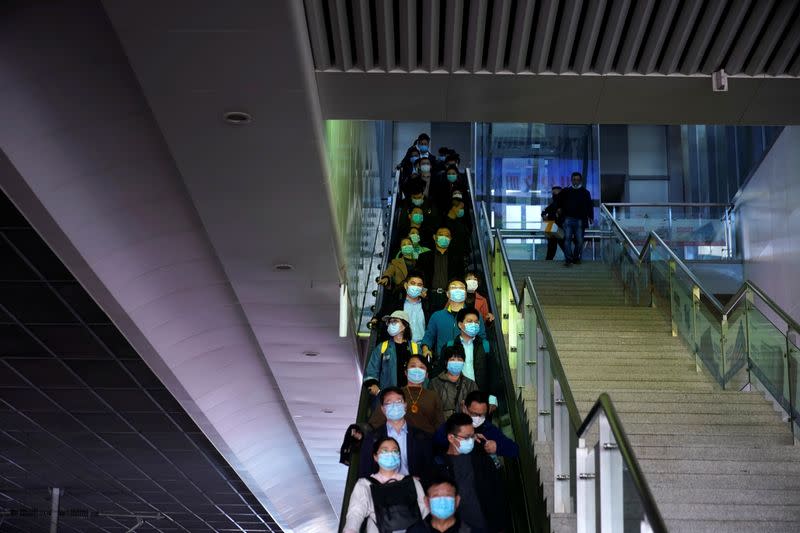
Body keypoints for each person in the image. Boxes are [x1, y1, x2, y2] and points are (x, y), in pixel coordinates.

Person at [432, 413, 507, 532]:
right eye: (466, 437)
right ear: (451, 438)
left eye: (473, 436)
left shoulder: (480, 457)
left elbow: (496, 489)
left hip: (487, 526)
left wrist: (501, 526)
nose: (471, 440)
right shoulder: (439, 465)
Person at [345, 436, 428, 533]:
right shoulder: (365, 484)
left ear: (399, 456)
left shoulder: (412, 482)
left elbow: (425, 512)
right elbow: (356, 512)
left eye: (395, 451)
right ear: (375, 457)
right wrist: (351, 530)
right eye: (385, 451)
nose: (390, 454)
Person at [359, 387, 434, 479]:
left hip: (413, 488)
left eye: (399, 402)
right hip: (383, 488)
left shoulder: (421, 437)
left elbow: (429, 470)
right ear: (383, 409)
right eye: (389, 403)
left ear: (405, 406)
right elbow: (364, 471)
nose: (394, 405)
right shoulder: (373, 438)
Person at [370, 355, 444, 434]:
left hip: (427, 443)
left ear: (426, 375)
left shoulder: (433, 396)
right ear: (405, 372)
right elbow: (375, 423)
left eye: (421, 367)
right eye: (413, 366)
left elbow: (440, 427)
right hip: (397, 442)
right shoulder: (393, 394)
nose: (417, 370)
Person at [433, 391, 518, 458]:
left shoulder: (488, 428)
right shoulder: (452, 424)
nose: (478, 418)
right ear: (464, 408)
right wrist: (467, 437)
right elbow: (436, 444)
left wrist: (497, 446)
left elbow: (514, 449)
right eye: (474, 414)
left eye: (482, 414)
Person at [441, 308, 497, 405]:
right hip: (454, 397)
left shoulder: (485, 346)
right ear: (460, 324)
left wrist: (492, 398)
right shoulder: (449, 346)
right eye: (469, 321)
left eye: (476, 322)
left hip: (480, 397)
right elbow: (441, 371)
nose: (474, 325)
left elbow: (493, 373)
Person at [421, 283, 486, 361]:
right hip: (443, 362)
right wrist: (425, 350)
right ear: (447, 294)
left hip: (470, 361)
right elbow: (428, 337)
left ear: (465, 294)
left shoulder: (475, 315)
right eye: (454, 287)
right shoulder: (437, 316)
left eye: (461, 288)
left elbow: (482, 337)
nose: (458, 290)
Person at [363, 311, 421, 396]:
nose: (391, 324)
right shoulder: (382, 347)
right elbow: (371, 371)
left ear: (404, 325)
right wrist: (373, 386)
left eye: (395, 321)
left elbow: (422, 373)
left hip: (411, 397)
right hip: (388, 398)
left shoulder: (415, 348)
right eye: (390, 322)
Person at [416, 228, 466, 312]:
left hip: (450, 297)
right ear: (434, 237)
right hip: (428, 297)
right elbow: (418, 275)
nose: (444, 237)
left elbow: (460, 277)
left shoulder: (457, 258)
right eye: (441, 235)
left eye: (447, 236)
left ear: (450, 239)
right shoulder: (424, 256)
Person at [430, 345, 479, 419]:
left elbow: (477, 409)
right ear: (446, 362)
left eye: (459, 360)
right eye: (452, 359)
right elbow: (431, 409)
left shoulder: (471, 384)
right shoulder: (434, 383)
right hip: (442, 427)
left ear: (463, 362)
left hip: (465, 426)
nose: (456, 362)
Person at [557, 171, 593, 266]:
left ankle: (575, 257)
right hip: (568, 219)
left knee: (580, 241)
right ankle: (569, 259)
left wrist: (591, 216)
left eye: (577, 180)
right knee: (567, 239)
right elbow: (558, 202)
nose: (576, 181)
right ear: (571, 180)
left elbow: (590, 205)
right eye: (574, 180)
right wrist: (559, 209)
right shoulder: (565, 191)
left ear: (580, 180)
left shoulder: (585, 192)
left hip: (580, 220)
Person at [542, 185, 566, 261]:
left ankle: (570, 259)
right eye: (553, 194)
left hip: (559, 227)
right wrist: (544, 216)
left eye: (556, 193)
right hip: (551, 226)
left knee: (562, 245)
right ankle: (548, 261)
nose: (554, 196)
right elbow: (544, 212)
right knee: (552, 247)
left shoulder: (564, 205)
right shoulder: (552, 205)